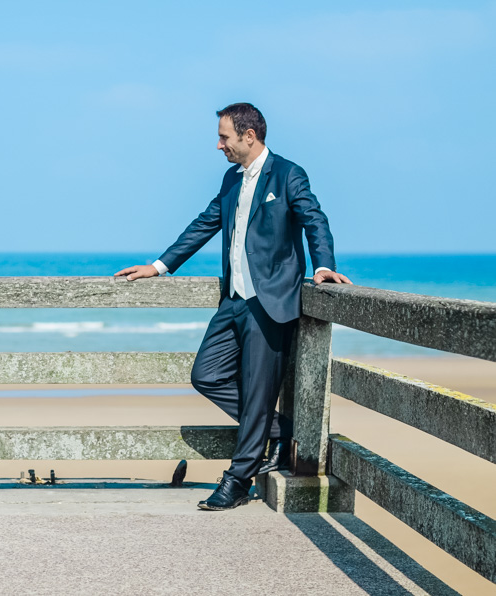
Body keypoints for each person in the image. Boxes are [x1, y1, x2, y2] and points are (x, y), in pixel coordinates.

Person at [115, 103, 351, 511]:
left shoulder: (288, 174)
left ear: (249, 135)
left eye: (224, 136)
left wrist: (324, 266)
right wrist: (159, 266)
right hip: (234, 302)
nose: (218, 144)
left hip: (271, 303)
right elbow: (205, 223)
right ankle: (279, 431)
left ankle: (237, 481)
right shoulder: (230, 178)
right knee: (206, 374)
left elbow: (315, 220)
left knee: (259, 391)